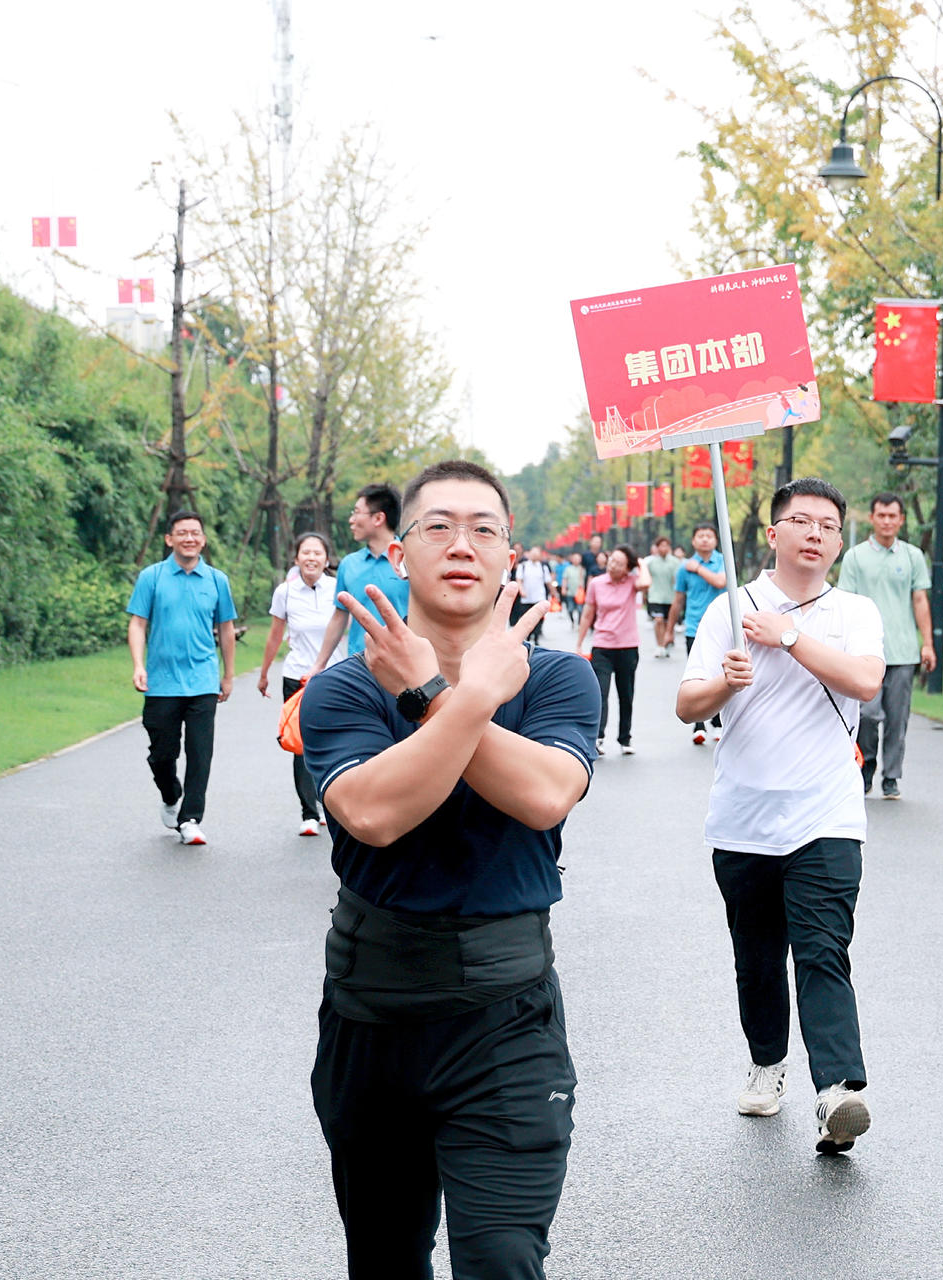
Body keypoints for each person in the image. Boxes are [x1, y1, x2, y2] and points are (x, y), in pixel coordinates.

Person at [299, 459, 600, 1279]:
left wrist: (432, 694)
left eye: (483, 529)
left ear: (512, 555)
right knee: (386, 1263)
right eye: (438, 527)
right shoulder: (343, 693)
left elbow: (543, 796)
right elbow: (374, 813)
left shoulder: (559, 681)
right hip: (372, 1017)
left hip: (506, 1020)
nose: (460, 545)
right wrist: (462, 698)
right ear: (400, 554)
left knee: (503, 1262)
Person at [676, 478, 885, 1156]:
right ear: (773, 534)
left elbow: (865, 682)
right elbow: (687, 704)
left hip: (826, 815)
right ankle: (767, 1063)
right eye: (800, 521)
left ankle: (837, 1094)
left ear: (839, 539)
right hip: (743, 819)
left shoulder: (854, 611)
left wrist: (790, 636)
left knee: (824, 952)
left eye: (828, 523)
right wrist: (724, 683)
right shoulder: (730, 609)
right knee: (758, 957)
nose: (815, 533)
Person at [126, 510, 237, 846]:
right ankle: (171, 794)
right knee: (162, 752)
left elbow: (226, 628)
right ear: (169, 539)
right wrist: (138, 664)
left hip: (203, 679)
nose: (189, 538)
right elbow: (137, 624)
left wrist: (228, 675)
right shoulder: (152, 577)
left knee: (200, 752)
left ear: (203, 539)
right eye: (182, 532)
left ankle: (190, 818)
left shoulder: (217, 580)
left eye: (195, 533)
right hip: (161, 682)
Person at [836, 493, 936, 800]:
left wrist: (927, 644)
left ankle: (891, 776)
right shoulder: (855, 557)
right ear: (872, 518)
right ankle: (867, 765)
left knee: (897, 719)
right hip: (864, 653)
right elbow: (845, 603)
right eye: (882, 515)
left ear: (901, 520)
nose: (887, 521)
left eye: (893, 516)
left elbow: (920, 600)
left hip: (903, 651)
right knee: (867, 715)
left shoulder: (912, 556)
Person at [257, 531, 345, 837]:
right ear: (297, 559)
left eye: (317, 553)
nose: (311, 558)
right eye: (305, 552)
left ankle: (331, 802)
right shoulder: (285, 592)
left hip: (335, 676)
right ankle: (309, 812)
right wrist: (265, 672)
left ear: (326, 559)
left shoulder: (338, 588)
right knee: (301, 744)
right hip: (297, 676)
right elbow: (274, 635)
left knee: (337, 742)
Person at [313, 483, 409, 669]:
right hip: (359, 668)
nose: (352, 519)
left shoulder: (410, 560)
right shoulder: (349, 565)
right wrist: (319, 664)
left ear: (378, 518)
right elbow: (339, 617)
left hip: (403, 666)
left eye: (356, 512)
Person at [577, 544, 648, 755]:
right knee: (600, 693)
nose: (612, 565)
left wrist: (642, 563)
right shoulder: (597, 583)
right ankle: (597, 737)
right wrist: (579, 642)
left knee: (626, 695)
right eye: (611, 560)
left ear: (628, 568)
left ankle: (625, 738)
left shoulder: (632, 582)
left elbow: (646, 582)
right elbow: (588, 613)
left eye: (618, 562)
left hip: (628, 647)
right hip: (602, 646)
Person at [669, 521, 729, 745]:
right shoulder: (685, 567)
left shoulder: (724, 561)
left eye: (709, 536)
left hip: (721, 627)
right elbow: (678, 599)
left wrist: (699, 569)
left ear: (715, 540)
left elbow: (721, 581)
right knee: (697, 675)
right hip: (694, 626)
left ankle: (717, 722)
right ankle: (698, 725)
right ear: (693, 541)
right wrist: (669, 630)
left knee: (721, 674)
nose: (705, 539)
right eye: (700, 535)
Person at [641, 535, 681, 658]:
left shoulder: (675, 562)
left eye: (666, 545)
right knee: (658, 621)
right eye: (661, 545)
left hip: (670, 597)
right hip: (655, 597)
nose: (663, 548)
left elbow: (677, 580)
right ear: (657, 548)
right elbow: (646, 579)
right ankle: (659, 646)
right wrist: (644, 594)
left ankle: (665, 644)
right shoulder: (651, 562)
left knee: (668, 623)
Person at [510, 543, 558, 645]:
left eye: (537, 554)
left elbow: (548, 582)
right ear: (530, 554)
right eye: (533, 553)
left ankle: (536, 637)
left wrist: (554, 593)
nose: (535, 556)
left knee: (539, 619)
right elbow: (519, 580)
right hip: (526, 598)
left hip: (539, 597)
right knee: (526, 618)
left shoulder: (543, 567)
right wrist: (521, 590)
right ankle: (527, 637)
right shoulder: (523, 566)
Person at [561, 553, 587, 626]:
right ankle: (572, 621)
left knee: (580, 609)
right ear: (572, 559)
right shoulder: (568, 569)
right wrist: (564, 588)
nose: (576, 560)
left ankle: (579, 622)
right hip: (570, 592)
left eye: (578, 558)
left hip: (579, 593)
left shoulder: (582, 569)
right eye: (574, 558)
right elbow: (565, 579)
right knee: (570, 609)